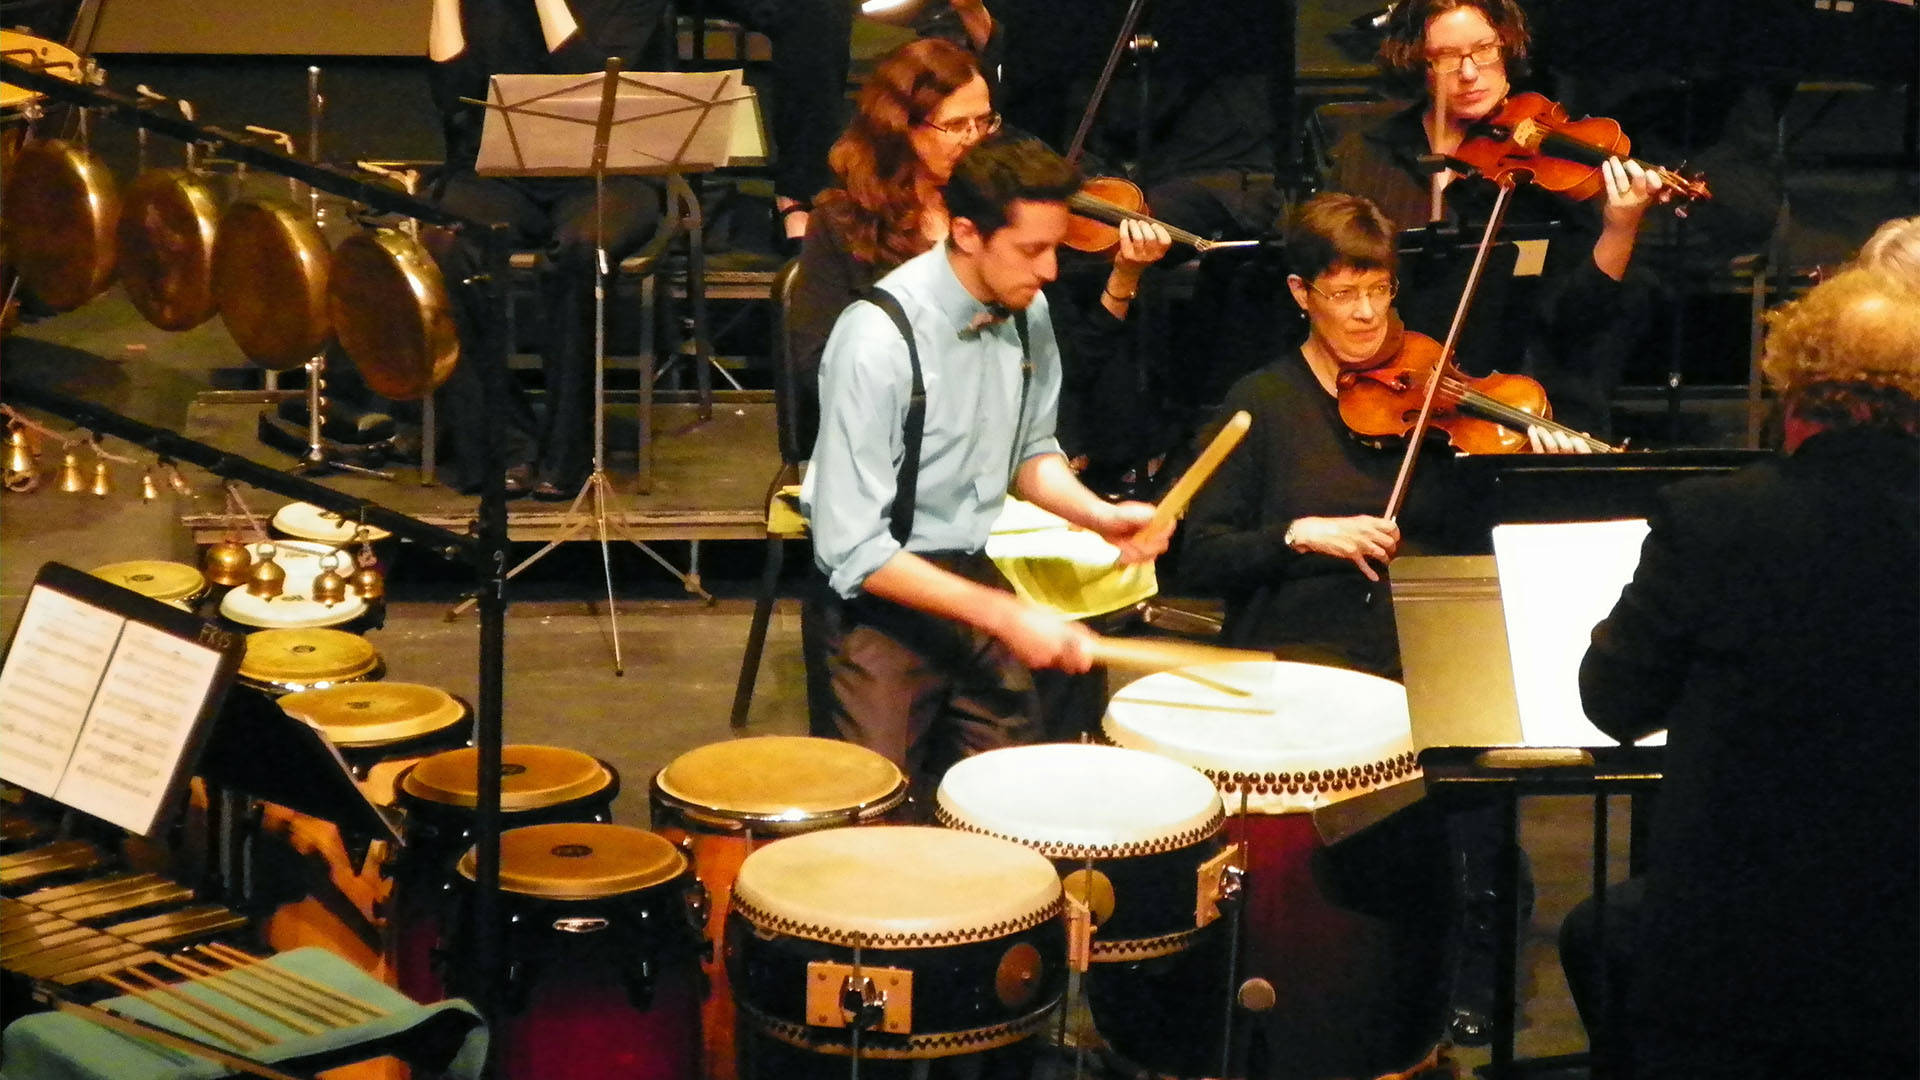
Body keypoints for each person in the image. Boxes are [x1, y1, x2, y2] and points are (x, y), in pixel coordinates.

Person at [1565, 266, 1918, 1078]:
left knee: (1611, 937)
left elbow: (1613, 702)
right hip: (1902, 958)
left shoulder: (1716, 517)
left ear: (1794, 390)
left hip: (1733, 957)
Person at [799, 134, 1167, 802]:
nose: (1052, 270)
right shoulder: (876, 339)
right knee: (875, 825)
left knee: (1012, 805)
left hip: (972, 573)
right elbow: (852, 547)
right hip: (881, 599)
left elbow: (1030, 452)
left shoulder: (1028, 313)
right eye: (1032, 249)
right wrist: (1004, 614)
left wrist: (1100, 515)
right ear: (966, 233)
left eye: (1056, 246)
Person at [1181, 191, 1584, 680]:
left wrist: (1541, 475)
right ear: (1300, 292)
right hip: (1299, 653)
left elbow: (1476, 533)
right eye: (1344, 294)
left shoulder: (1431, 391)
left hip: (1429, 648)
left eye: (1379, 289)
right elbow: (1201, 557)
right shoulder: (1261, 401)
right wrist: (1298, 536)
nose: (1367, 312)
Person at [791, 37, 1171, 453]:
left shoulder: (1006, 215)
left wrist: (1123, 277)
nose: (973, 139)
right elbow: (820, 368)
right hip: (897, 442)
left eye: (984, 122)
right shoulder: (843, 221)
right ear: (900, 126)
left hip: (1011, 449)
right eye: (955, 125)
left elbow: (1065, 370)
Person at [1325, 0, 1666, 436]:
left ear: (1505, 49)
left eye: (1484, 50)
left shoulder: (1547, 172)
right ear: (1416, 63)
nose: (1469, 73)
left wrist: (1620, 227)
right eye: (1446, 57)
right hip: (1393, 390)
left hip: (1523, 391)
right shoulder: (1367, 155)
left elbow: (1577, 321)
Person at [424, 0, 666, 497]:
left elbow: (592, 88)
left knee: (583, 247)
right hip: (501, 169)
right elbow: (452, 97)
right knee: (450, 240)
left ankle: (567, 452)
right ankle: (501, 444)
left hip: (610, 171)